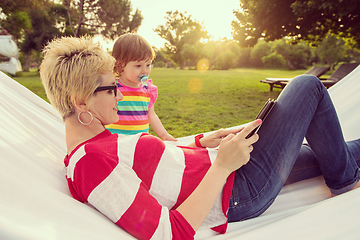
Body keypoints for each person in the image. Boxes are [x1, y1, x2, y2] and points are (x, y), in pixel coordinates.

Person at [40, 36, 360, 240]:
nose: (120, 97)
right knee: (307, 86)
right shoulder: (90, 163)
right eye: (112, 89)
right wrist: (221, 166)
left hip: (232, 170)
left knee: (329, 150)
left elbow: (158, 161)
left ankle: (343, 169)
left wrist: (206, 140)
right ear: (81, 101)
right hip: (238, 190)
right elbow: (170, 232)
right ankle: (345, 181)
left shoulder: (99, 142)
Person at [106, 33, 176, 141]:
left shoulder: (148, 90)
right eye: (138, 66)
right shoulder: (112, 88)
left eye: (148, 65)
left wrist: (164, 135)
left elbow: (152, 116)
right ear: (120, 65)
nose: (145, 71)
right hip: (116, 143)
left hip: (140, 143)